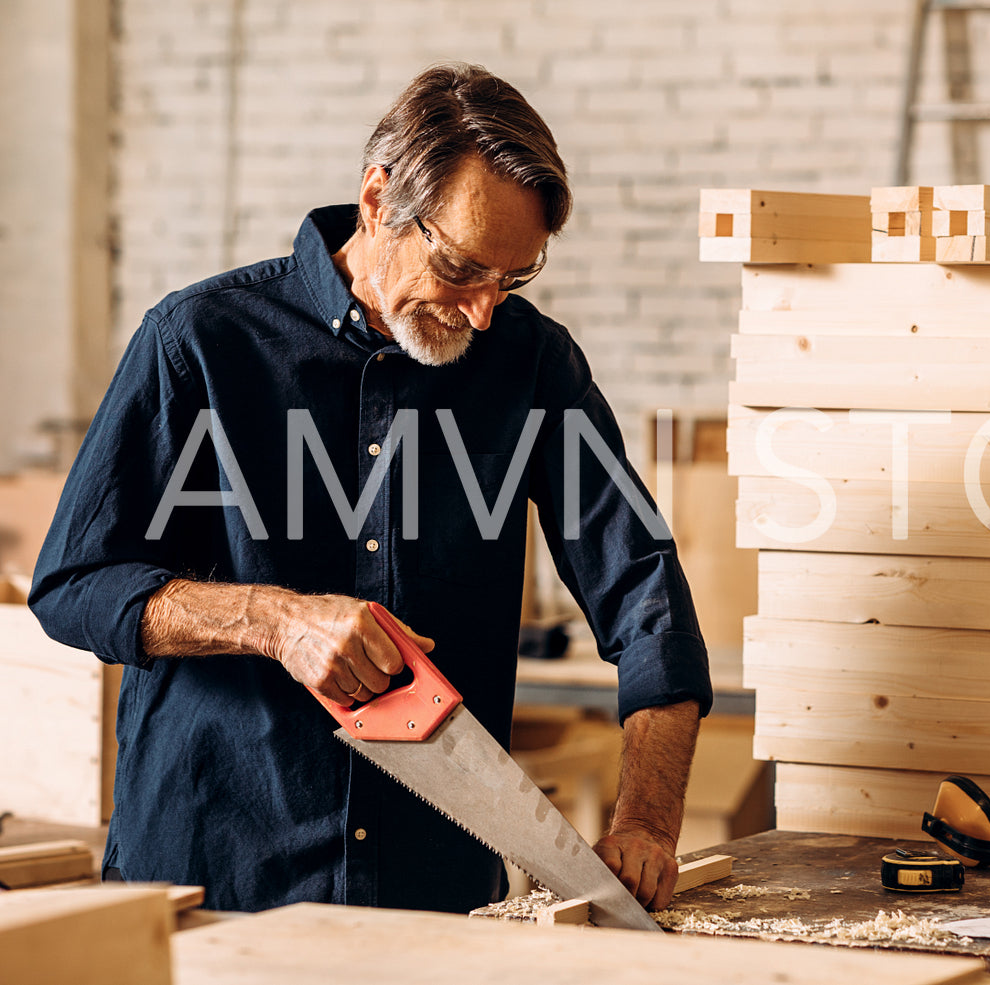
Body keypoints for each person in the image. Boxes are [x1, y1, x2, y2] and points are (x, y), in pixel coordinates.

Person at [28, 62, 711, 915]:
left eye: (513, 278)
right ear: (379, 198)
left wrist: (647, 820)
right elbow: (73, 585)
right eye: (462, 267)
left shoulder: (530, 364)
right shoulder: (198, 341)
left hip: (435, 896)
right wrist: (276, 621)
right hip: (216, 877)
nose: (482, 312)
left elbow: (646, 599)